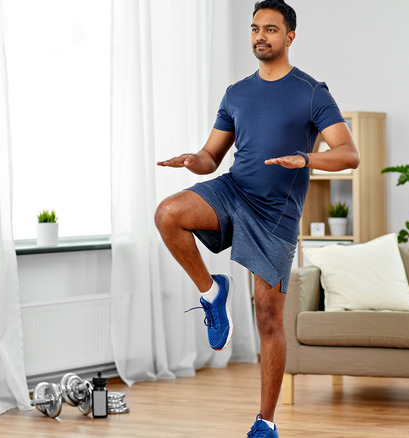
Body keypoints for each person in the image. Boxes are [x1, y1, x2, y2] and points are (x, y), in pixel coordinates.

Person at [154, 0, 359, 436]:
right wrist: (195, 160)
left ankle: (265, 422)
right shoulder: (236, 93)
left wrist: (305, 159)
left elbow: (349, 153)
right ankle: (212, 293)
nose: (260, 36)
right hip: (232, 191)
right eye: (254, 29)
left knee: (268, 318)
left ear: (290, 37)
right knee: (168, 213)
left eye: (270, 29)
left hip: (274, 215)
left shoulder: (311, 91)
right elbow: (213, 156)